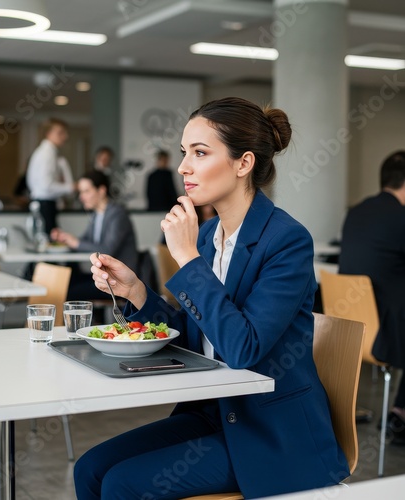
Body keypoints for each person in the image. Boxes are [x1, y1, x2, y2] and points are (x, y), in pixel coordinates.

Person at [74, 97, 349, 499]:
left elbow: (242, 347)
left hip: (271, 434)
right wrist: (135, 290)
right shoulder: (207, 236)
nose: (184, 166)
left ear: (243, 164)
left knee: (122, 483)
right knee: (91, 469)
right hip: (215, 412)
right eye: (185, 152)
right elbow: (190, 340)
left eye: (200, 153)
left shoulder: (286, 241)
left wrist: (186, 258)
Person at [339, 150, 405, 443]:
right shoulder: (400, 216)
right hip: (385, 334)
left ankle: (400, 413)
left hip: (352, 330)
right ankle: (400, 413)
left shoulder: (358, 211)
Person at [50, 170, 137, 301]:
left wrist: (76, 243)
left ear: (101, 191)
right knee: (65, 281)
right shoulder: (96, 214)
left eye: (86, 191)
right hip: (104, 277)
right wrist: (66, 238)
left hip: (117, 281)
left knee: (67, 291)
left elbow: (108, 249)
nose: (81, 197)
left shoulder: (117, 214)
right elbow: (86, 240)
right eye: (81, 192)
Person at [25, 118, 75, 234]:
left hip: (43, 203)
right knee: (49, 242)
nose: (65, 137)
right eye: (60, 133)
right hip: (45, 205)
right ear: (48, 133)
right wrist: (70, 187)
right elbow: (46, 185)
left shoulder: (45, 152)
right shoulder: (47, 154)